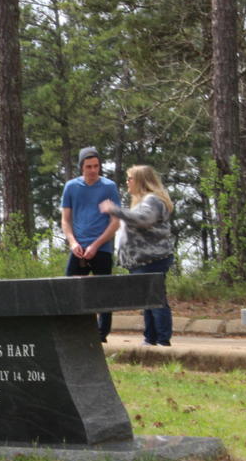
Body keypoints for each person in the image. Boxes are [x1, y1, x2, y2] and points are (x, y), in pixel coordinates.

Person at [100, 166, 175, 347]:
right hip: (143, 261)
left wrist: (116, 210)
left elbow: (143, 219)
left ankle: (162, 340)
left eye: (130, 179)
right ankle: (151, 338)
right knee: (148, 301)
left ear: (141, 181)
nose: (127, 182)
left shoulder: (153, 200)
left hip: (152, 259)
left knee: (155, 300)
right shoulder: (145, 200)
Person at [61, 146, 121, 342]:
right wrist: (72, 242)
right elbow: (66, 219)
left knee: (103, 292)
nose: (93, 170)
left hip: (101, 247)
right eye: (89, 166)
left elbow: (115, 222)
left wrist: (96, 245)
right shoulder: (71, 187)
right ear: (81, 167)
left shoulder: (109, 187)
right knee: (70, 290)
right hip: (78, 247)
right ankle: (75, 331)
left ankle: (102, 334)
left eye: (96, 166)